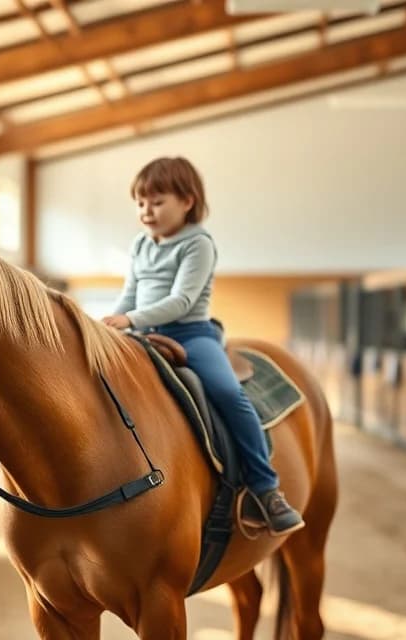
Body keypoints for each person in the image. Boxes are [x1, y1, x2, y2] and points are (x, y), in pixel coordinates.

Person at [101, 156, 303, 536]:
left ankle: (266, 487)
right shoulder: (141, 244)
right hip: (141, 332)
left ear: (187, 202)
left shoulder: (198, 244)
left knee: (228, 394)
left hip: (190, 334)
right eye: (141, 203)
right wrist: (107, 326)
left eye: (157, 202)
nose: (147, 211)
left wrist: (130, 320)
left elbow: (182, 300)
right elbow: (130, 293)